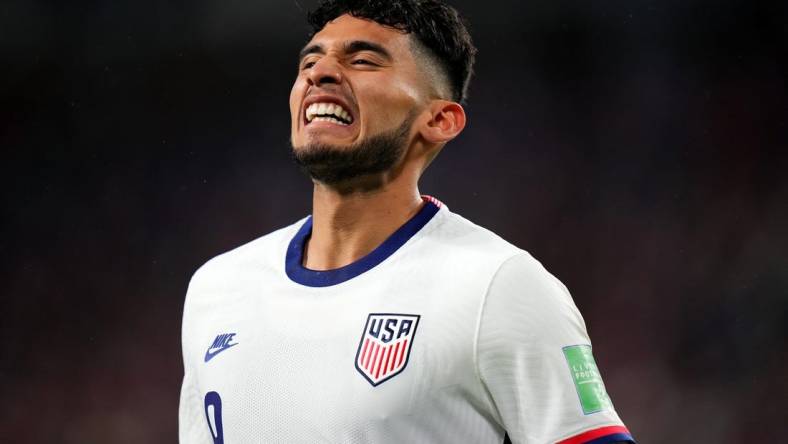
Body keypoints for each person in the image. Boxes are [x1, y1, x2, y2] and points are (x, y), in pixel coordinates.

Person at [178, 1, 635, 443]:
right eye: (309, 62)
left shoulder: (497, 288)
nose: (319, 73)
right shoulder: (216, 288)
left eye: (362, 60)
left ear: (438, 119)